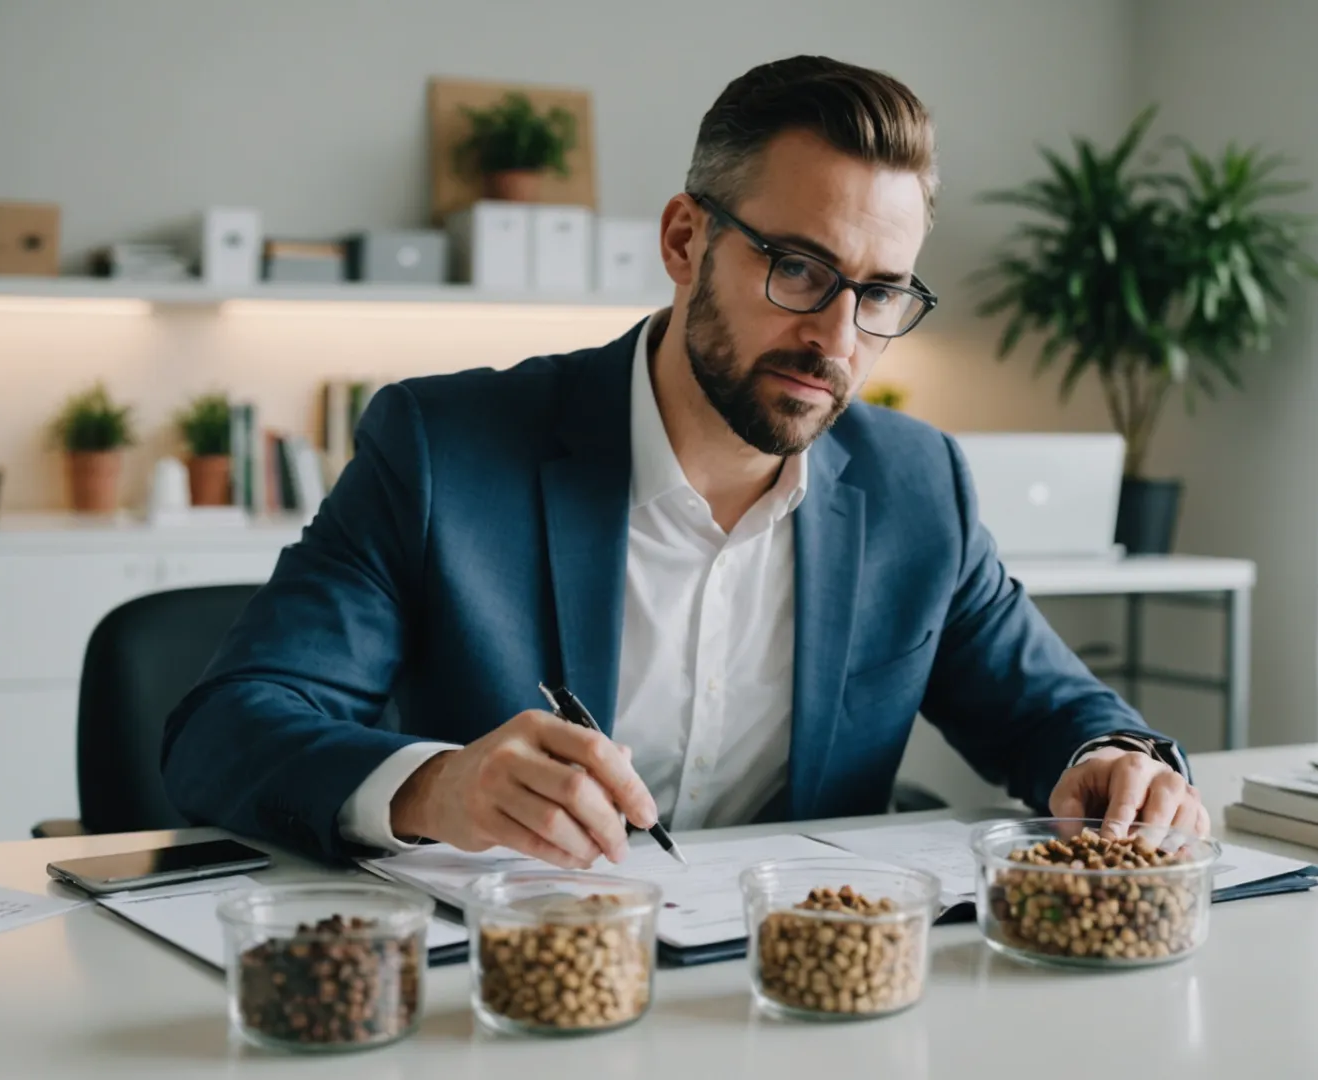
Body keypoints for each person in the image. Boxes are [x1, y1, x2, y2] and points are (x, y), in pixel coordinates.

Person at [162, 55, 1208, 869]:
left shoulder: (914, 485)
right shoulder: (444, 449)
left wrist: (1110, 764)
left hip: (801, 995)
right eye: (800, 269)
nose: (838, 341)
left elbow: (1051, 712)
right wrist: (437, 788)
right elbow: (225, 729)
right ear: (682, 241)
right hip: (513, 991)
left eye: (880, 293)